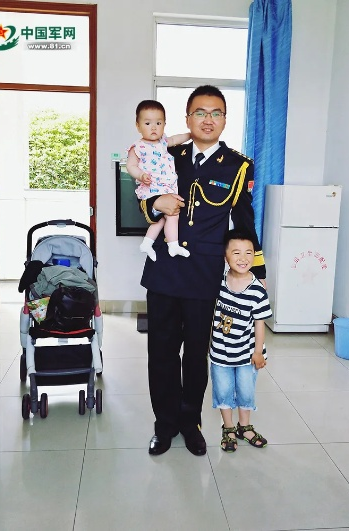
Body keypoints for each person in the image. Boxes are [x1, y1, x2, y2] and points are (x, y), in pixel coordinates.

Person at [138, 85, 266, 456]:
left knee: (196, 354)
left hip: (204, 275)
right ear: (187, 118)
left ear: (224, 120)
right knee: (161, 352)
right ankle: (164, 425)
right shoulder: (165, 152)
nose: (207, 120)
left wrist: (255, 272)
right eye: (200, 112)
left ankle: (190, 423)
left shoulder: (238, 166)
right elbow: (144, 197)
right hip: (163, 270)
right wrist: (156, 204)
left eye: (216, 113)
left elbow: (244, 221)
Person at [210, 229, 272, 453]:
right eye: (236, 253)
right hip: (220, 352)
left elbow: (259, 323)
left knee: (245, 391)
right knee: (223, 390)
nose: (243, 258)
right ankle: (228, 428)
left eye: (249, 253)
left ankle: (244, 427)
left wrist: (258, 351)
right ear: (225, 256)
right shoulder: (218, 282)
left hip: (247, 353)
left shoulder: (257, 290)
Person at [127, 100, 191, 261]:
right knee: (172, 214)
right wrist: (141, 175)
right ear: (138, 126)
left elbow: (176, 139)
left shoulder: (163, 141)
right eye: (148, 123)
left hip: (167, 187)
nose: (154, 127)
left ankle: (147, 243)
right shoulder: (138, 147)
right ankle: (173, 245)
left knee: (162, 218)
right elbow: (131, 166)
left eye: (158, 123)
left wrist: (190, 135)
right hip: (152, 187)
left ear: (164, 124)